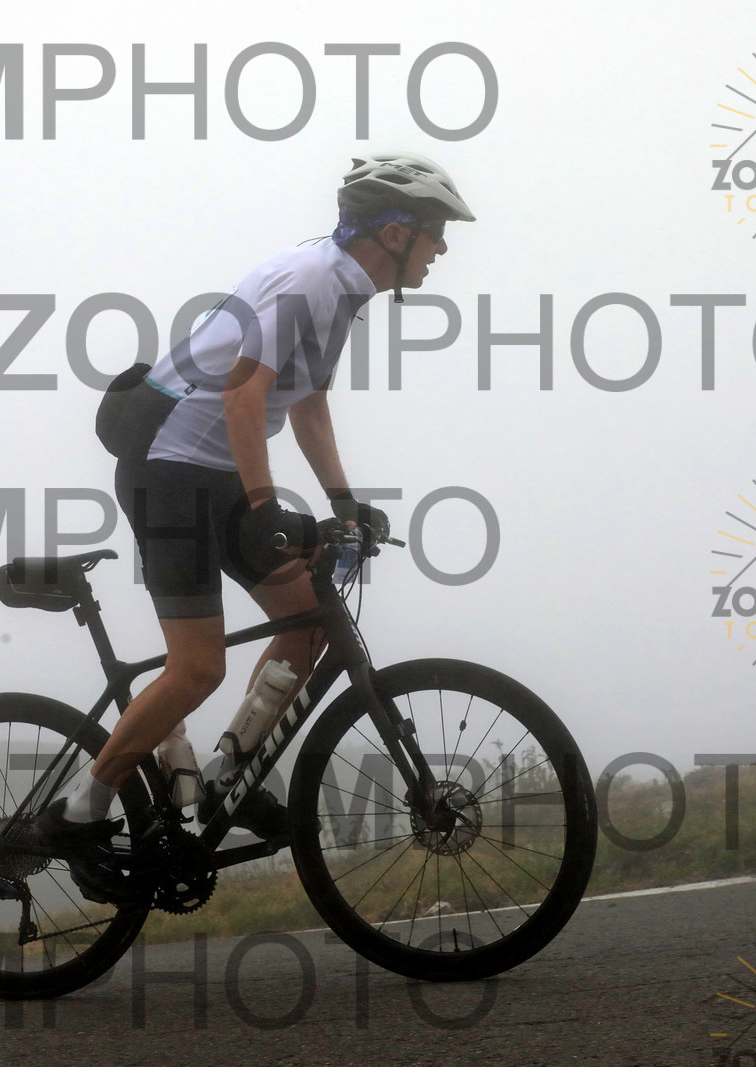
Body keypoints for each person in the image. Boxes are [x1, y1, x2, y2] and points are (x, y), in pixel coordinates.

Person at [33, 152, 475, 901]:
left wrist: (343, 502)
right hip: (168, 472)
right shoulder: (308, 281)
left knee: (310, 621)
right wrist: (267, 507)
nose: (443, 247)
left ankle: (223, 778)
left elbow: (307, 404)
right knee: (197, 667)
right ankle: (80, 807)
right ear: (396, 233)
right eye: (435, 232)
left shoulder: (343, 291)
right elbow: (244, 396)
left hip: (217, 475)